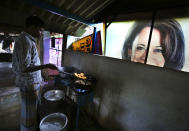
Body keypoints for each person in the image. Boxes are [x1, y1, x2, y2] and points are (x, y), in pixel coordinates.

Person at [12, 15, 57, 131]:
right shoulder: (25, 41)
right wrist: (46, 66)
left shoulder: (27, 40)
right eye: (40, 29)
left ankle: (29, 127)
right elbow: (24, 67)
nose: (41, 33)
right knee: (28, 113)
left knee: (30, 111)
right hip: (28, 84)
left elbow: (30, 63)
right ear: (32, 27)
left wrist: (42, 74)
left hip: (30, 83)